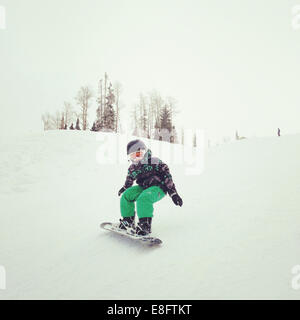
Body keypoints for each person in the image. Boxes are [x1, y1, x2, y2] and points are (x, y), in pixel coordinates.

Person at [118, 139, 183, 236]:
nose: (136, 159)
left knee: (143, 198)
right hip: (144, 187)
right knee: (127, 195)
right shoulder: (133, 167)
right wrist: (125, 187)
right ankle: (128, 221)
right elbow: (130, 178)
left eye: (138, 154)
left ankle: (145, 224)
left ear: (144, 152)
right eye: (132, 156)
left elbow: (167, 177)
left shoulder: (155, 162)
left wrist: (173, 193)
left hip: (159, 188)